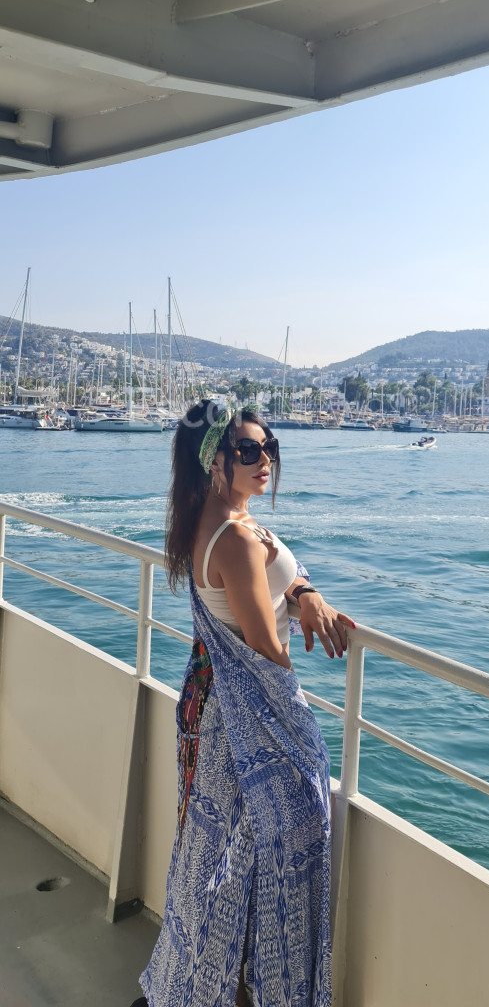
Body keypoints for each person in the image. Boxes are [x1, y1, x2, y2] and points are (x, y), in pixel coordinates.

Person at [133, 400, 355, 1007]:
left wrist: (305, 592)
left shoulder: (217, 518)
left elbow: (274, 575)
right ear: (215, 461)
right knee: (243, 869)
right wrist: (302, 734)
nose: (265, 460)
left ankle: (195, 990)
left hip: (210, 707)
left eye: (269, 447)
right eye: (249, 450)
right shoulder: (232, 538)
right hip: (241, 722)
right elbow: (265, 651)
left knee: (217, 867)